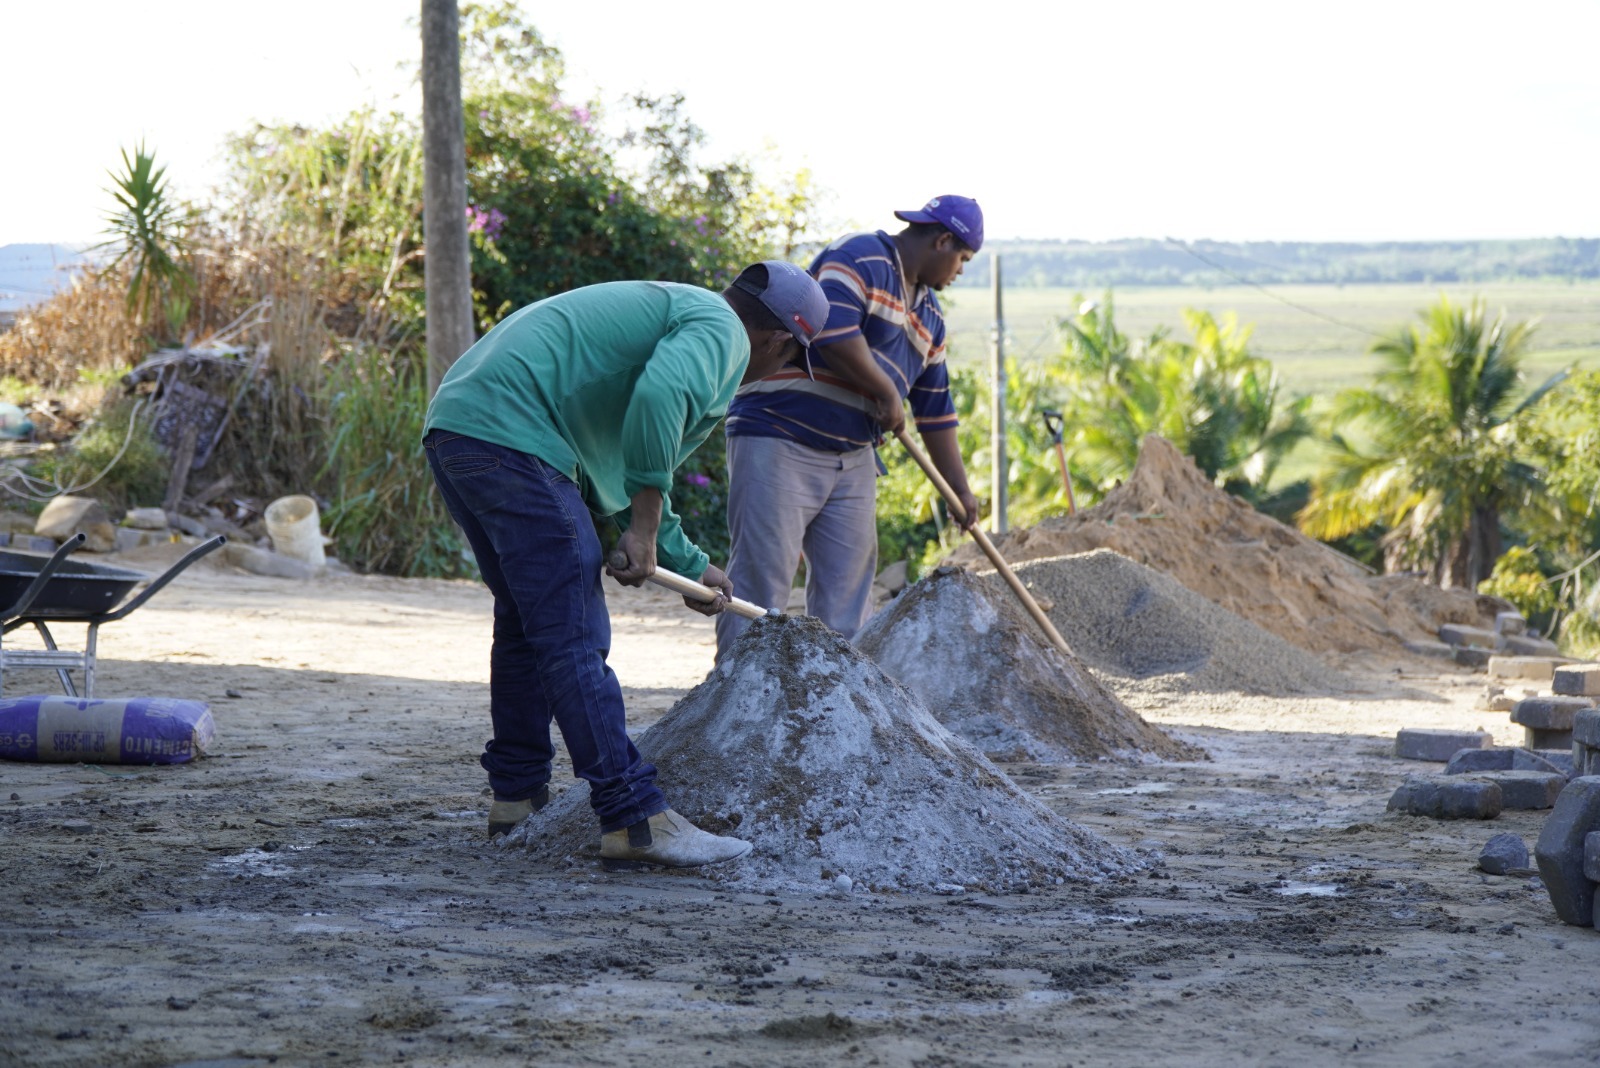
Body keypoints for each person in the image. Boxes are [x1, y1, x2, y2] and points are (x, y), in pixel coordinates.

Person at [423, 261, 829, 870]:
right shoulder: (721, 329)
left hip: (462, 428)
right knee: (572, 633)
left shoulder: (685, 313)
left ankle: (516, 796)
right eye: (791, 361)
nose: (775, 373)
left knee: (526, 622)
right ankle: (634, 818)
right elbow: (660, 400)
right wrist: (640, 527)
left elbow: (612, 474)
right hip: (514, 435)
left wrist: (691, 566)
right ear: (777, 340)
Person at [715, 196, 984, 660]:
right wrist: (883, 391)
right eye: (961, 258)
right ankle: (733, 693)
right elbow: (832, 329)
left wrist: (958, 490)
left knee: (848, 595)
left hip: (853, 456)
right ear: (942, 240)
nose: (959, 271)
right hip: (779, 433)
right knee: (762, 580)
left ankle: (841, 708)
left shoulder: (930, 319)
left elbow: (936, 410)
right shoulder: (863, 256)